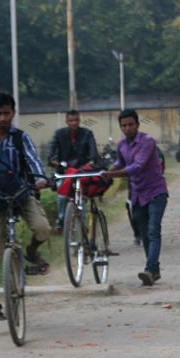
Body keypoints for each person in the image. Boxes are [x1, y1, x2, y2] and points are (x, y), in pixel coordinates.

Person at [0, 92, 51, 324]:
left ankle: (31, 252)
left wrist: (40, 178)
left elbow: (33, 160)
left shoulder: (20, 137)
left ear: (13, 113)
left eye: (6, 113)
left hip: (21, 192)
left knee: (42, 228)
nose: (3, 118)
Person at [103, 109, 168, 286]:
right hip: (138, 195)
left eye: (131, 124)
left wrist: (113, 174)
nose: (128, 128)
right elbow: (120, 163)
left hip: (156, 192)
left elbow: (137, 166)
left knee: (154, 230)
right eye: (124, 125)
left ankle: (149, 269)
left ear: (137, 125)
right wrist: (108, 170)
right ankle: (154, 271)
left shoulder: (147, 142)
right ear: (120, 127)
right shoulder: (121, 145)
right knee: (144, 233)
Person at [47, 109, 99, 232]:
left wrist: (91, 163)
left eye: (76, 120)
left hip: (82, 171)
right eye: (71, 120)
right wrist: (55, 162)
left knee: (82, 198)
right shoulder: (59, 134)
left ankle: (83, 225)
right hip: (65, 171)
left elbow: (93, 154)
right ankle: (60, 221)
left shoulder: (87, 134)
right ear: (66, 121)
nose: (74, 123)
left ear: (79, 120)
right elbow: (50, 154)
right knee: (61, 196)